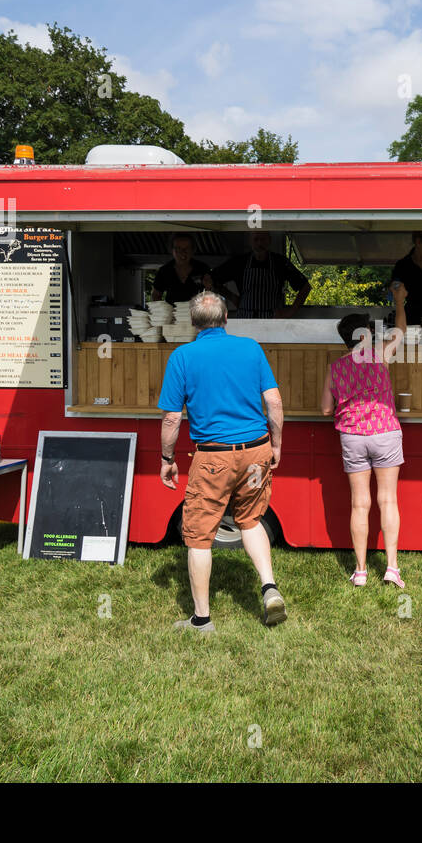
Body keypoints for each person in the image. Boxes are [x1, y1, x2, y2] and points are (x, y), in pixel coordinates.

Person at [157, 292, 286, 632]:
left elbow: (172, 420)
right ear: (226, 317)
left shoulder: (182, 356)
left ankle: (202, 620)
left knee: (199, 536)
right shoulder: (250, 348)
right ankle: (269, 588)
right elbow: (273, 402)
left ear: (193, 323)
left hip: (214, 457)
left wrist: (167, 458)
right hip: (256, 453)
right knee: (250, 520)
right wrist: (276, 445)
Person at [320, 283, 408, 588]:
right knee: (388, 500)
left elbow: (324, 409)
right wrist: (399, 302)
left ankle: (360, 570)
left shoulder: (335, 368)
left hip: (352, 438)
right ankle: (392, 568)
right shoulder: (381, 354)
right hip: (385, 433)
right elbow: (400, 330)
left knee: (360, 504)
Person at [212, 231, 310, 319]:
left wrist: (290, 312)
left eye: (263, 239)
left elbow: (305, 287)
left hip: (271, 321)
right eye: (256, 239)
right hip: (245, 320)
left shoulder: (280, 262)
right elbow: (211, 280)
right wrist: (233, 298)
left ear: (269, 240)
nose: (259, 243)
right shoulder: (240, 262)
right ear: (250, 241)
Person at [150, 233, 213, 304]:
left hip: (197, 312)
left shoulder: (202, 268)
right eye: (178, 248)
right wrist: (161, 311)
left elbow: (211, 293)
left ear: (193, 250)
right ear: (172, 251)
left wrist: (209, 287)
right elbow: (156, 295)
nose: (183, 252)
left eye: (187, 248)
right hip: (173, 313)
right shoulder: (164, 271)